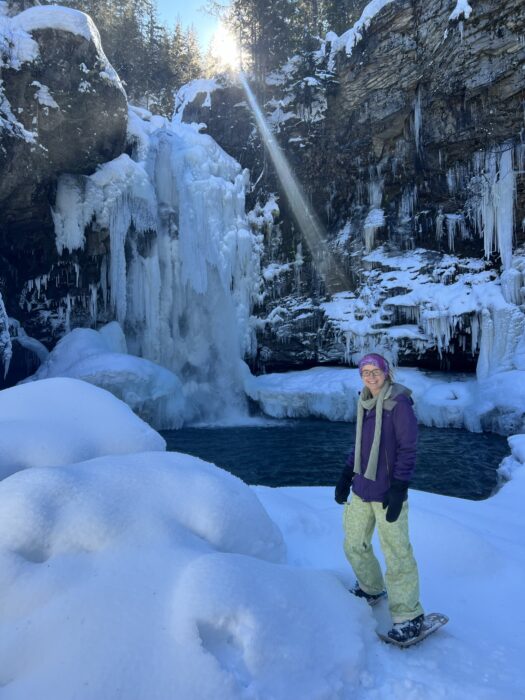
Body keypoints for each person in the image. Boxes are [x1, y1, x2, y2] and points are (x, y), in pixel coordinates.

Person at [334, 352, 425, 643]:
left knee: (397, 553)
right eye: (365, 372)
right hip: (362, 488)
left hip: (387, 492)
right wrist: (346, 474)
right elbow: (360, 445)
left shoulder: (399, 404)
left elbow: (408, 449)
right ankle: (372, 588)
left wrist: (399, 487)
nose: (371, 376)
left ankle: (410, 615)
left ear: (387, 372)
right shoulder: (365, 402)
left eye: (376, 371)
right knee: (353, 543)